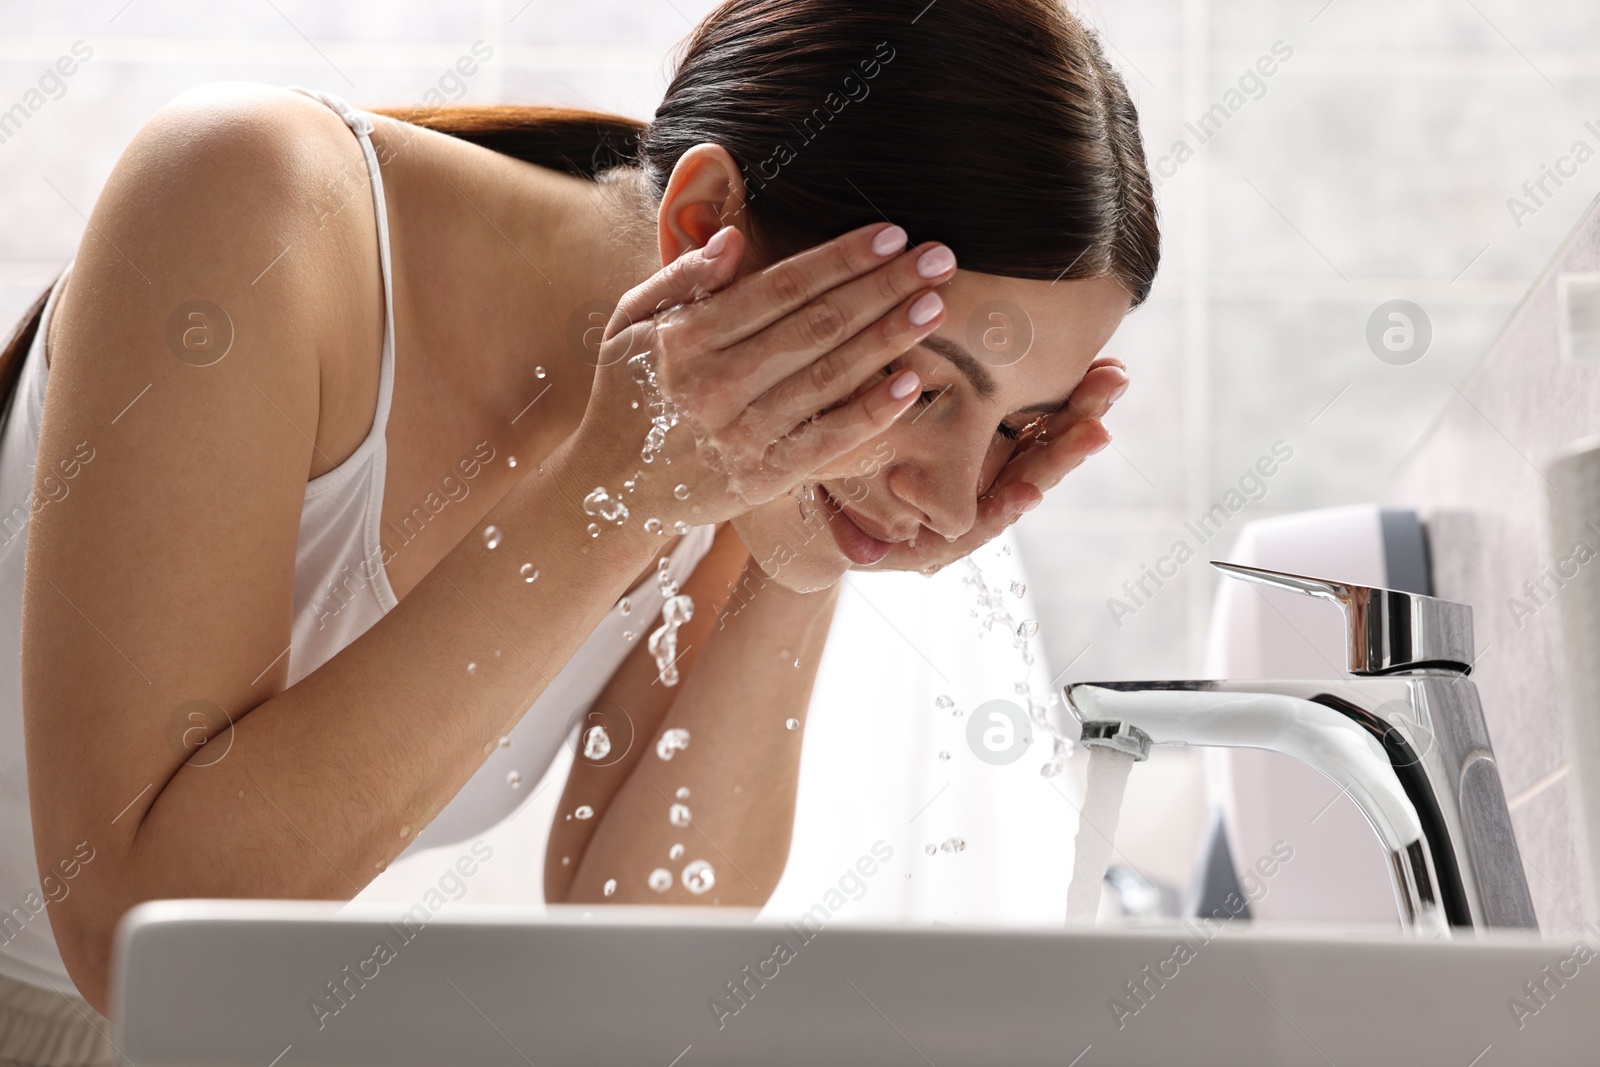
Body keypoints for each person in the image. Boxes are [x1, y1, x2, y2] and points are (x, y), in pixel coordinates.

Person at [0, 0, 1156, 1056]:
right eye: (917, 380)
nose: (956, 503)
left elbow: (642, 927)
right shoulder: (250, 199)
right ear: (705, 226)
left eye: (1020, 426)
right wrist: (618, 495)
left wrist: (814, 552)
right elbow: (142, 937)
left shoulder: (720, 442)